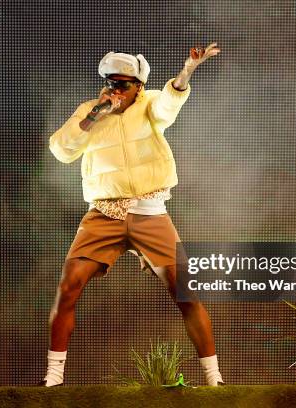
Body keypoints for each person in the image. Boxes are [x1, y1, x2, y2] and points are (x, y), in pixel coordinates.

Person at [41, 43, 223, 387]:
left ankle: (215, 380)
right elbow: (61, 149)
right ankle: (53, 377)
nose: (116, 90)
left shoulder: (150, 104)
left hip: (149, 211)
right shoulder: (90, 111)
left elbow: (170, 104)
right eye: (111, 83)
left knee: (186, 290)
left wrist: (186, 72)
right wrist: (96, 114)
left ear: (138, 86)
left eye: (123, 84)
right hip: (105, 213)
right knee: (68, 287)